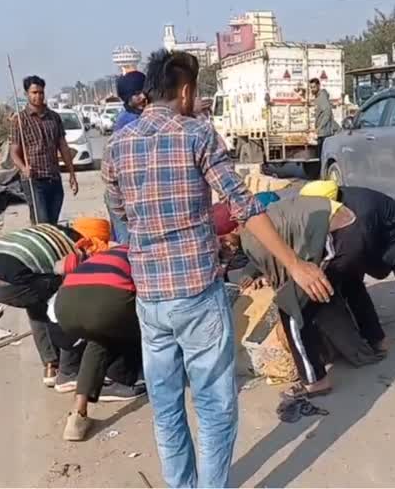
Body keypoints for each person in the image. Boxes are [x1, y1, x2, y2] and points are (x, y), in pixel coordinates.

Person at [101, 49, 333, 488]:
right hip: (196, 295)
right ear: (186, 90)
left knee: (167, 407)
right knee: (214, 408)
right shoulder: (197, 134)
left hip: (151, 299)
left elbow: (122, 219)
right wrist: (294, 264)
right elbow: (245, 207)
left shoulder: (116, 147)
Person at [237, 195, 367, 399]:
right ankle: (369, 347)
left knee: (291, 309)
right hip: (350, 229)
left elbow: (280, 273)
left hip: (334, 236)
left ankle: (315, 382)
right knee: (323, 297)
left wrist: (283, 293)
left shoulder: (249, 233)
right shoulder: (271, 213)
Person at [300, 180, 395, 341]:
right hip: (376, 235)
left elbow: (354, 250)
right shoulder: (337, 202)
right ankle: (370, 334)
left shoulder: (358, 214)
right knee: (351, 284)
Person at [0, 223, 95, 388]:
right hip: (10, 280)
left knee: (35, 301)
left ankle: (51, 366)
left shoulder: (45, 231)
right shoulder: (71, 247)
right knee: (65, 300)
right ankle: (68, 372)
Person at [53, 245, 146, 441]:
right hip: (108, 301)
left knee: (98, 339)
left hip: (65, 305)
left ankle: (78, 415)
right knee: (148, 321)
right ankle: (124, 378)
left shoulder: (102, 255)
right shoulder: (141, 253)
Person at [10, 75, 79, 225]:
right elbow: (14, 152)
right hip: (34, 180)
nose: (38, 96)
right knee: (42, 223)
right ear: (26, 94)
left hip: (54, 178)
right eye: (34, 93)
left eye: (41, 92)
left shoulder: (54, 118)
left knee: (53, 224)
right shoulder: (20, 121)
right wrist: (23, 168)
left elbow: (63, 146)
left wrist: (72, 173)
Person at [107, 71, 147, 244]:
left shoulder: (139, 116)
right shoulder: (129, 122)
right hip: (124, 194)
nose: (143, 97)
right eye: (136, 94)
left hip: (130, 194)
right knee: (128, 243)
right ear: (127, 98)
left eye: (144, 91)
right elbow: (111, 177)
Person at [310, 77, 337, 157]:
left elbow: (327, 113)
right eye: (311, 88)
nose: (312, 89)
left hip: (325, 132)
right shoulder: (318, 97)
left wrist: (320, 127)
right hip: (321, 132)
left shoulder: (322, 97)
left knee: (322, 154)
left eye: (314, 87)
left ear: (318, 86)